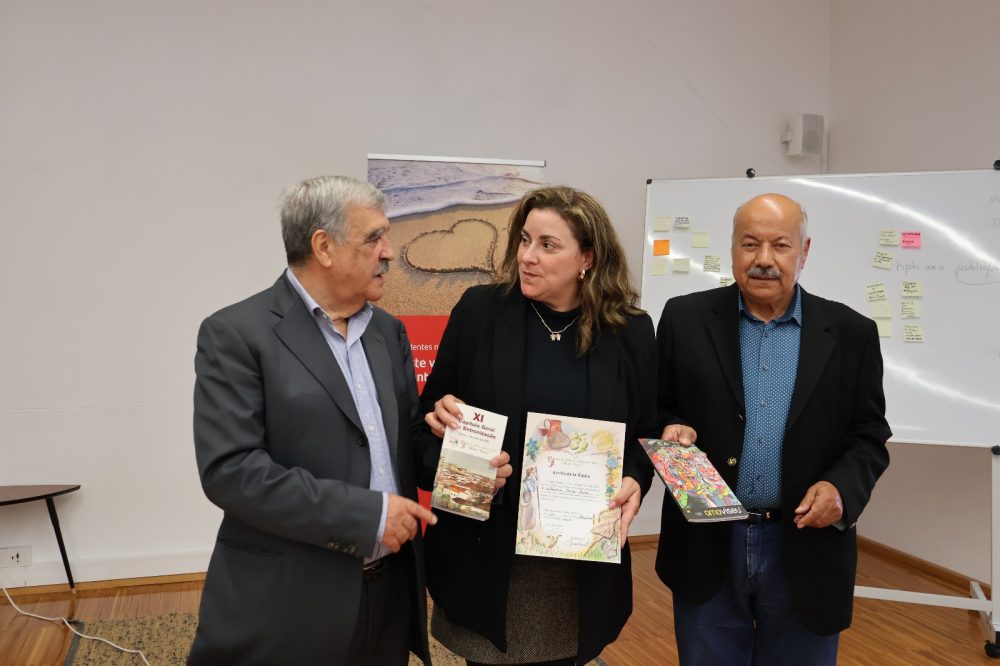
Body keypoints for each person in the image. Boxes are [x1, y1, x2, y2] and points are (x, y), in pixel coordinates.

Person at [188, 175, 512, 664]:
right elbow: (231, 473)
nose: (389, 251)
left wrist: (469, 469)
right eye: (374, 237)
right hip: (290, 602)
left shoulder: (387, 332)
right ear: (323, 247)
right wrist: (370, 517)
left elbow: (407, 443)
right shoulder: (236, 334)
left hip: (388, 595)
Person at [421, 185, 657, 665]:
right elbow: (428, 417)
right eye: (525, 240)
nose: (527, 256)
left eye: (548, 245)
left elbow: (644, 434)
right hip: (485, 557)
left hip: (576, 569)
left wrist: (635, 477)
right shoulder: (480, 311)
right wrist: (444, 430)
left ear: (587, 258)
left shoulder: (629, 330)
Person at [654, 193, 892, 665]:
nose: (764, 259)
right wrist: (671, 427)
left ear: (804, 252)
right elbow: (657, 407)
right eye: (750, 244)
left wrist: (841, 489)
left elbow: (868, 434)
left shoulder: (852, 333)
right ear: (732, 249)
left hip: (805, 547)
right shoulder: (684, 319)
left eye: (780, 245)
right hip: (707, 545)